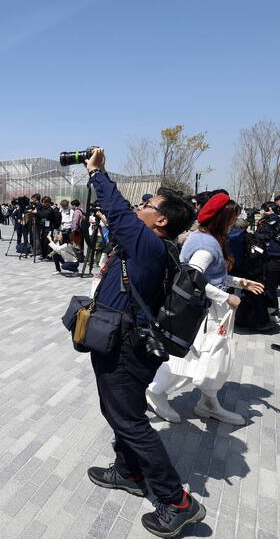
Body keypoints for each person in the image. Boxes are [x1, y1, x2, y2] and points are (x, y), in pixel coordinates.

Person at [81, 148, 205, 537]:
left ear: (161, 220)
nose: (140, 205)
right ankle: (129, 471)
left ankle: (177, 502)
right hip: (127, 343)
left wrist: (98, 174)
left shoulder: (149, 246)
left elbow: (116, 211)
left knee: (131, 422)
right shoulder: (150, 247)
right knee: (122, 411)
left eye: (148, 204)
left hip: (125, 351)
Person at [147, 194, 264, 426]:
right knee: (192, 357)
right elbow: (191, 279)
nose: (235, 222)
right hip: (202, 314)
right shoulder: (206, 245)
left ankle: (208, 402)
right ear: (221, 219)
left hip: (210, 311)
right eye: (231, 218)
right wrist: (227, 296)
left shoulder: (207, 238)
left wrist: (240, 283)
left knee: (212, 358)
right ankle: (156, 392)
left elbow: (212, 276)